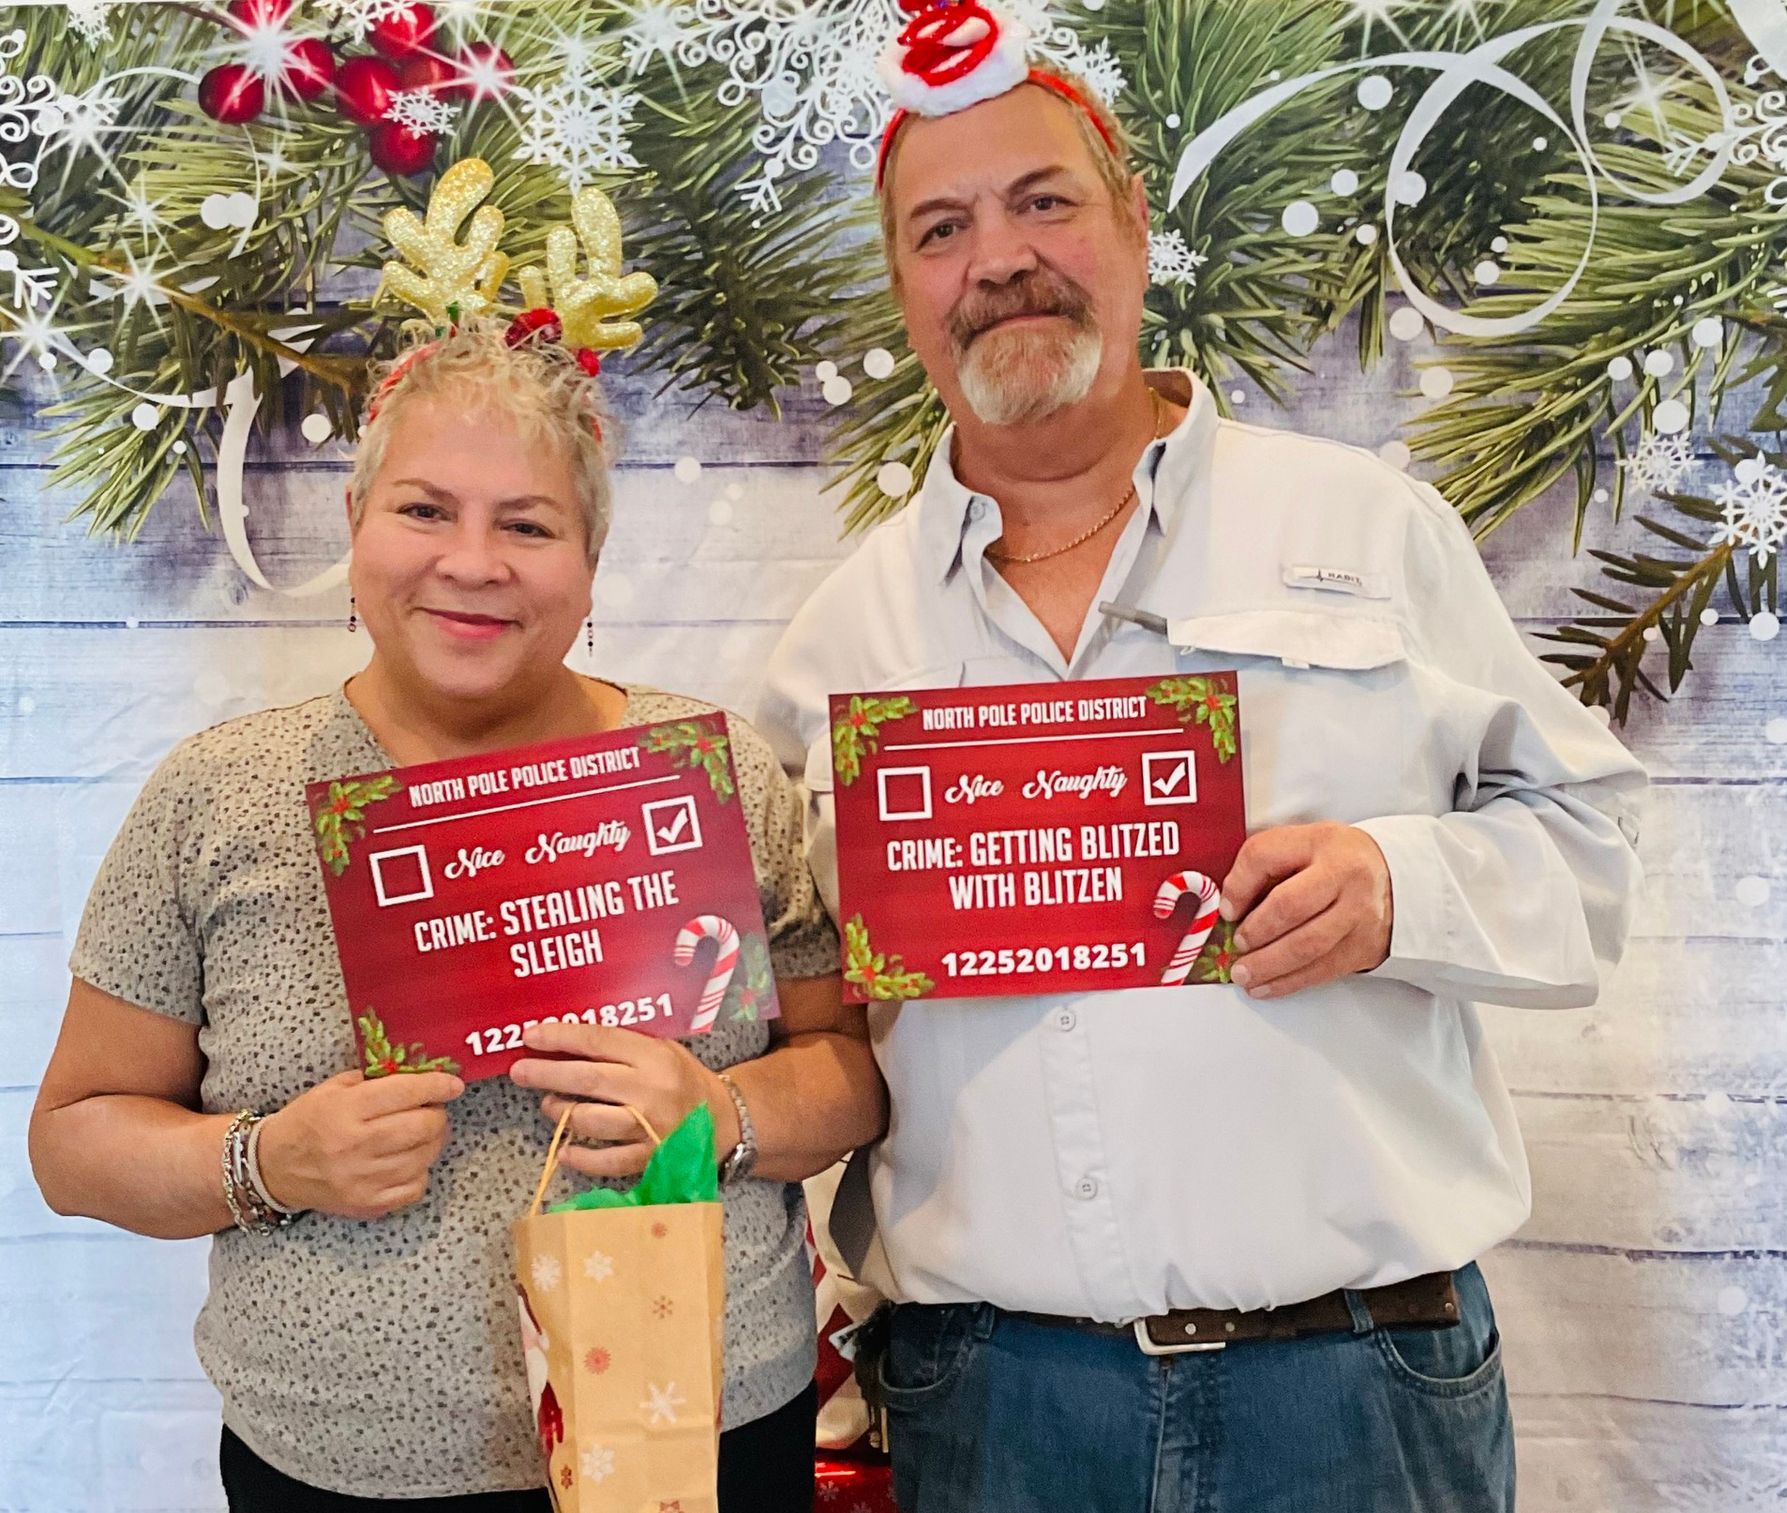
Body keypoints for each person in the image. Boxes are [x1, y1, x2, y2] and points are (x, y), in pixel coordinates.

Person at [758, 12, 1647, 1513]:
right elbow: (806, 1015)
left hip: (1361, 1392)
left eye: (1045, 201)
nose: (1000, 259)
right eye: (942, 227)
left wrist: (1397, 885)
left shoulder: (1363, 527)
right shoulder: (839, 641)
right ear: (906, 283)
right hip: (999, 1406)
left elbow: (1592, 852)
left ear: (1134, 222)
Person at [29, 316, 884, 1512]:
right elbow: (73, 1142)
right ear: (357, 528)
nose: (472, 562)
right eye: (426, 510)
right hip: (335, 1467)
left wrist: (723, 1110)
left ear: (590, 563)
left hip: (698, 1431)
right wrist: (267, 1158)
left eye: (528, 524)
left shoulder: (716, 776)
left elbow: (847, 1069)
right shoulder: (218, 797)